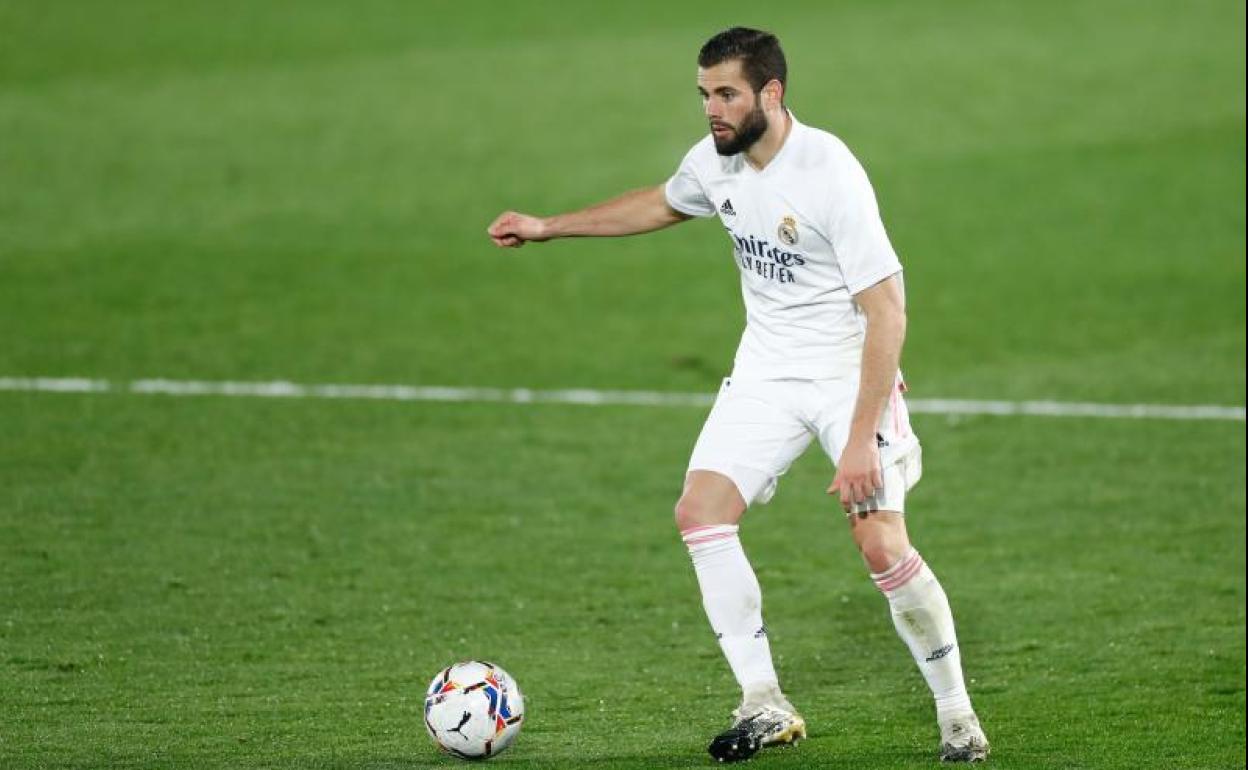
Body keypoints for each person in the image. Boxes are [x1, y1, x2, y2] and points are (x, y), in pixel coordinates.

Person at [487, 26, 990, 764]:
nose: (712, 110)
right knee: (700, 512)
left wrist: (857, 442)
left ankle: (957, 717)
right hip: (764, 370)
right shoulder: (715, 163)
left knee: (879, 541)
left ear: (771, 93)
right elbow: (660, 203)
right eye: (704, 95)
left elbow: (887, 312)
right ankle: (764, 701)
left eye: (726, 94)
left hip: (847, 373)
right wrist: (547, 228)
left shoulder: (829, 172)